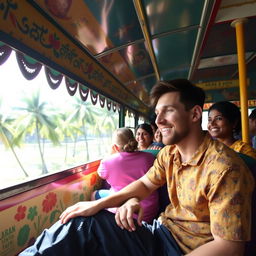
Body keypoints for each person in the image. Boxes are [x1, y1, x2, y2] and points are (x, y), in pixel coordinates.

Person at [20, 79, 254, 256]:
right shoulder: (170, 153)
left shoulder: (226, 168)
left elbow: (229, 247)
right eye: (157, 113)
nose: (159, 121)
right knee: (83, 221)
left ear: (194, 114)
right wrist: (98, 203)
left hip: (180, 249)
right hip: (160, 232)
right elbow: (144, 184)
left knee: (83, 228)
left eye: (168, 111)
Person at [92, 127, 159, 223]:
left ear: (115, 147)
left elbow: (101, 174)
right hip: (149, 212)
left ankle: (101, 222)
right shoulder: (149, 157)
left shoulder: (108, 162)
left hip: (123, 213)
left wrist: (109, 155)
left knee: (94, 194)